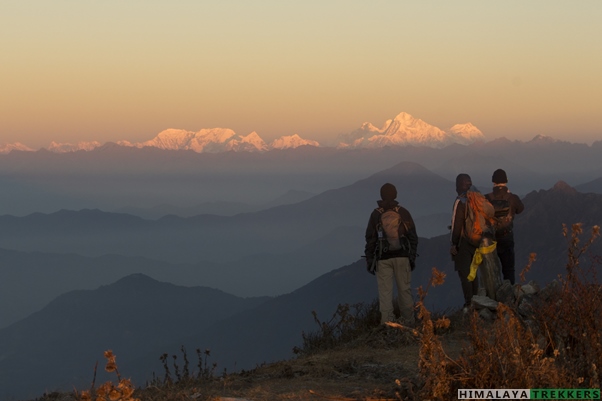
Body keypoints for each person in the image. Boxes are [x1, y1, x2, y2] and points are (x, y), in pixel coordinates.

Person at [364, 183, 418, 326]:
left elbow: (370, 238)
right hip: (402, 257)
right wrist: (411, 257)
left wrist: (370, 260)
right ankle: (409, 323)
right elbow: (412, 236)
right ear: (396, 195)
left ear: (381, 196)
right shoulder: (403, 213)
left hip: (383, 258)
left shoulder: (376, 214)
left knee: (385, 294)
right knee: (404, 291)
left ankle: (388, 324)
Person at [485, 169, 525, 284]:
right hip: (507, 238)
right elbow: (520, 209)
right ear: (506, 181)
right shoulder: (512, 198)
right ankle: (510, 297)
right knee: (509, 270)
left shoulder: (486, 198)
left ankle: (493, 297)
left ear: (493, 182)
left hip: (490, 240)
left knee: (491, 271)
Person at [450, 173, 479, 310]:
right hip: (478, 241)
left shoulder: (460, 201)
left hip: (464, 241)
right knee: (474, 272)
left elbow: (456, 224)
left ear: (459, 185)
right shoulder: (477, 198)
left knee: (465, 273)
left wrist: (454, 244)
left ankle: (469, 304)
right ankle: (478, 300)